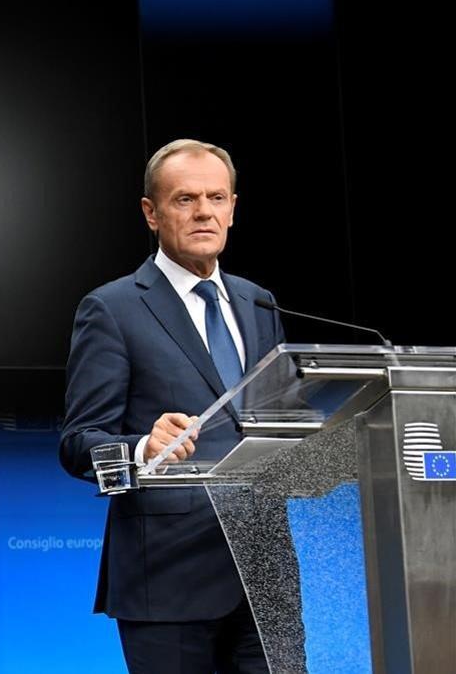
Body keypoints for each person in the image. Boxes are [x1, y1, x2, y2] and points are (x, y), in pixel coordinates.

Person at [60, 139, 289, 673]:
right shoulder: (112, 309)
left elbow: (279, 424)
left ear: (233, 207)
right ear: (152, 213)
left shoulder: (259, 302)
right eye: (185, 199)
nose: (204, 211)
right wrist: (141, 448)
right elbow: (76, 445)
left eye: (216, 197)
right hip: (167, 577)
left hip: (267, 574)